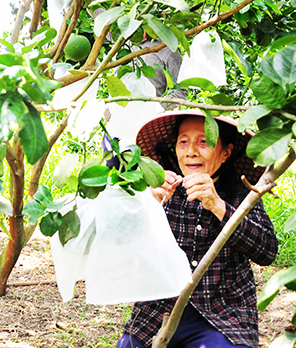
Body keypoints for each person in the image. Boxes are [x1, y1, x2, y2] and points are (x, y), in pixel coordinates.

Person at [117, 110, 278, 348]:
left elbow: (267, 251)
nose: (191, 151)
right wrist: (145, 205)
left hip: (223, 315)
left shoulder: (240, 194)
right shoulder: (160, 188)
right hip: (158, 311)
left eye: (204, 142)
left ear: (226, 152)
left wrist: (218, 206)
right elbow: (122, 248)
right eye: (184, 142)